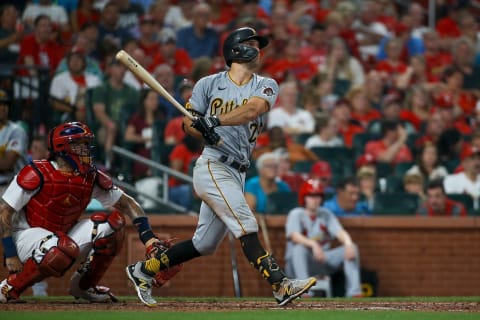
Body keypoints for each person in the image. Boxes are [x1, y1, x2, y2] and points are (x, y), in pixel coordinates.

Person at [126, 27, 317, 307]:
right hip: (213, 165)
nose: (258, 49)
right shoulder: (207, 84)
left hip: (238, 169)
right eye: (252, 44)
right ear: (236, 49)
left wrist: (214, 121)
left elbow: (252, 110)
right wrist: (201, 129)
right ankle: (280, 285)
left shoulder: (266, 83)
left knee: (204, 244)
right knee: (246, 222)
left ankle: (143, 270)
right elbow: (187, 123)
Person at [0, 122, 179, 303]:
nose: (86, 149)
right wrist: (10, 253)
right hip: (24, 237)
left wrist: (149, 239)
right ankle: (9, 288)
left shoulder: (90, 176)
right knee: (58, 247)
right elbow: (5, 211)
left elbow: (128, 204)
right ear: (63, 147)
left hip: (62, 238)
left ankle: (83, 286)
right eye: (81, 143)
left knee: (112, 226)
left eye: (87, 143)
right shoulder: (36, 171)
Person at [285, 179, 363, 297]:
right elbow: (294, 236)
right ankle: (303, 290)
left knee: (352, 248)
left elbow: (340, 232)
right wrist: (314, 244)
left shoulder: (326, 214)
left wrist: (348, 243)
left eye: (317, 196)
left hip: (322, 260)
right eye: (311, 196)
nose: (315, 200)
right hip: (298, 265)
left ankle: (354, 292)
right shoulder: (296, 214)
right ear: (304, 198)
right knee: (298, 248)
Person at [0, 89, 28, 196]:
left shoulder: (16, 131)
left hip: (11, 188)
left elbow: (7, 164)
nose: (2, 107)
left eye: (5, 104)